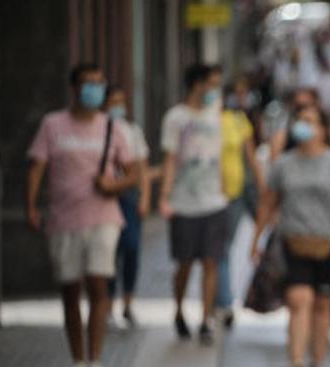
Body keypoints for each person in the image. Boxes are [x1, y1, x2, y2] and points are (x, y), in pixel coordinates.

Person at [27, 63, 139, 367]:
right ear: (73, 88)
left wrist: (112, 186)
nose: (94, 89)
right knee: (70, 289)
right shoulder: (52, 125)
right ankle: (77, 360)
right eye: (87, 83)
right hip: (63, 218)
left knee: (98, 284)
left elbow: (133, 173)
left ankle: (97, 360)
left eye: (99, 83)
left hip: (103, 218)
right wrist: (31, 206)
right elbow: (36, 167)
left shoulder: (113, 128)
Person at [250, 104, 330, 367]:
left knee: (322, 304)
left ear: (323, 129)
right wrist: (255, 239)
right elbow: (268, 203)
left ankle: (317, 363)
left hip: (328, 244)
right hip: (292, 241)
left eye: (311, 120)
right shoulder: (283, 164)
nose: (305, 126)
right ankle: (296, 363)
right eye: (300, 120)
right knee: (300, 300)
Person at [159, 64, 229, 345]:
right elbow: (170, 159)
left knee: (211, 261)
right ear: (197, 84)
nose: (214, 90)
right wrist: (164, 197)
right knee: (185, 263)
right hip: (184, 202)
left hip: (214, 201)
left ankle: (206, 318)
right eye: (211, 84)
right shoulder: (176, 117)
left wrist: (224, 188)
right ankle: (178, 310)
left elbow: (219, 155)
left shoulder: (216, 114)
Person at [215, 81, 265, 328]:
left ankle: (225, 302)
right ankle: (223, 302)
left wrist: (264, 190)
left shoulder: (238, 120)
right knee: (221, 249)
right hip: (218, 196)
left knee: (224, 248)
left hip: (241, 192)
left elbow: (252, 157)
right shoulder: (208, 123)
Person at [102, 85, 151, 329]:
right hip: (106, 197)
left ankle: (128, 303)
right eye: (113, 101)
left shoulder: (133, 131)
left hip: (129, 197)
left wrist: (144, 198)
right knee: (110, 251)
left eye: (121, 101)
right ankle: (108, 305)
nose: (118, 106)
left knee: (131, 249)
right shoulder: (99, 130)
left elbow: (142, 167)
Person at [268, 88, 330, 162]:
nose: (303, 111)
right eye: (298, 107)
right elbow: (275, 162)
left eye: (307, 105)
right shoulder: (284, 134)